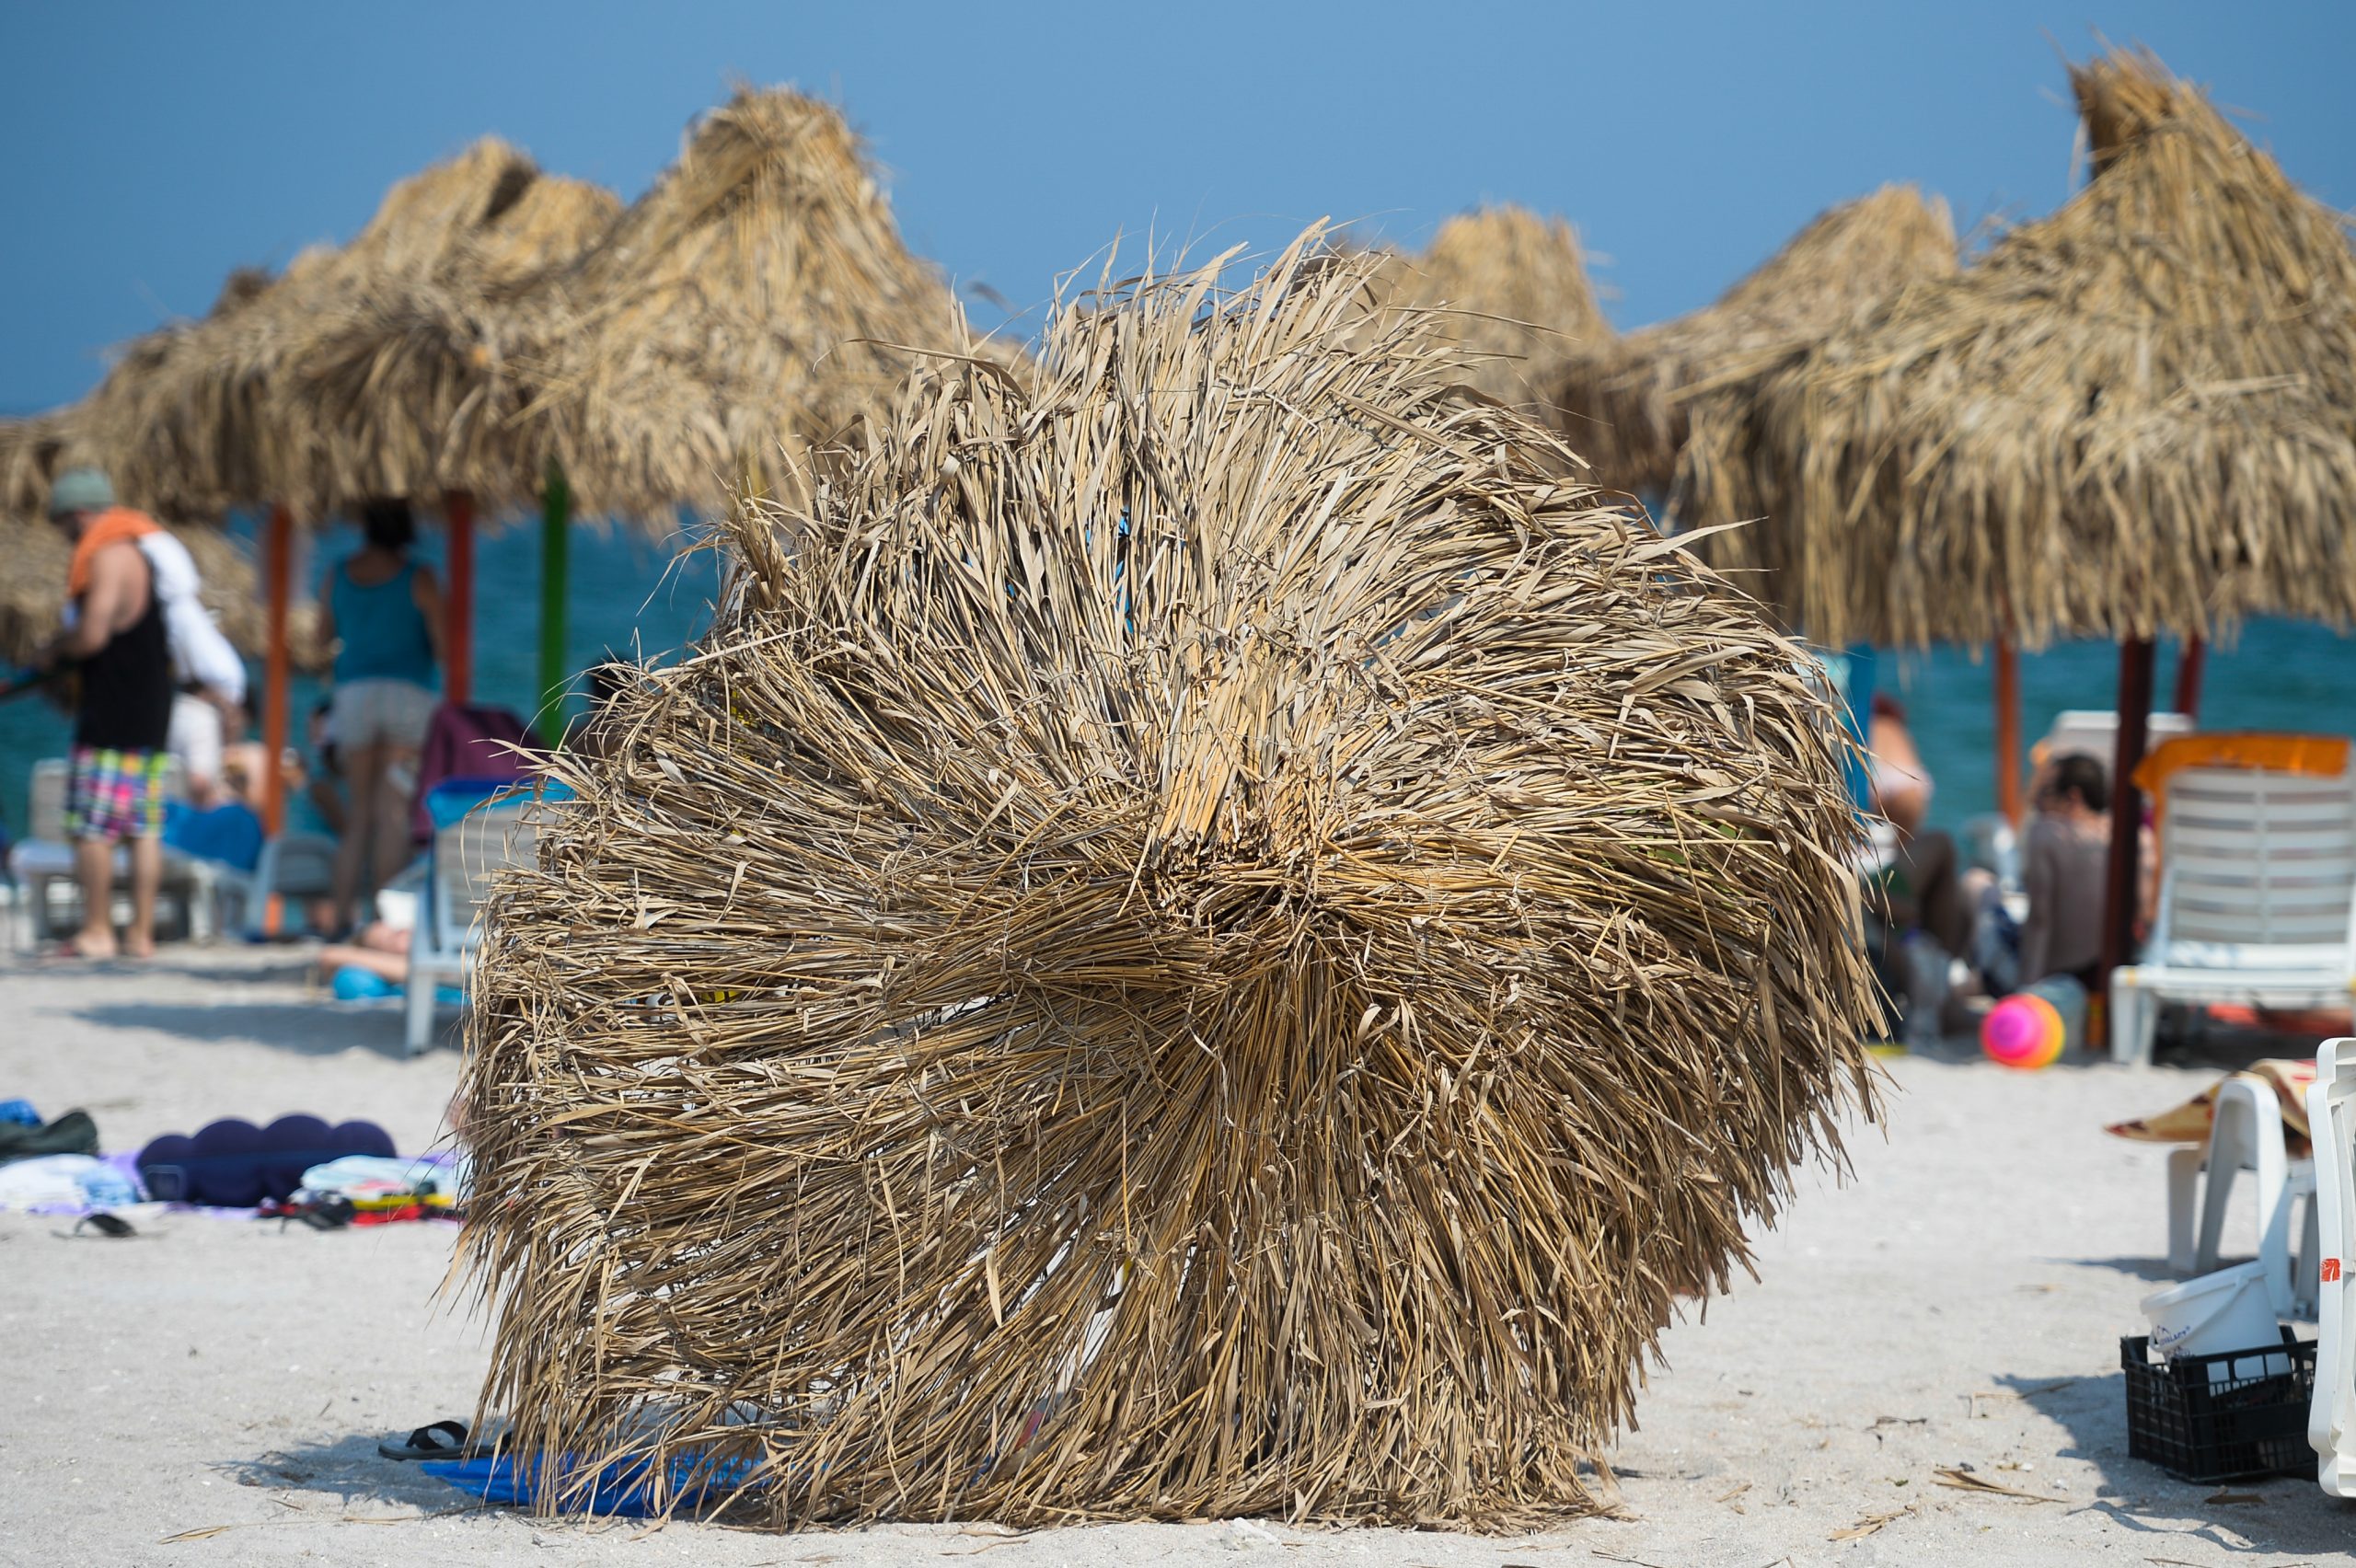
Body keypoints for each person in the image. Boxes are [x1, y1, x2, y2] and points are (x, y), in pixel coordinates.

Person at [34, 469, 175, 959]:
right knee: (142, 827)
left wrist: (54, 651)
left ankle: (98, 931)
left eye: (62, 525)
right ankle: (140, 934)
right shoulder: (139, 553)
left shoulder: (111, 554)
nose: (65, 536)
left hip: (115, 708)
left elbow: (92, 635)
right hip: (150, 707)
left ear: (78, 515)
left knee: (92, 826)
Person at [318, 498, 444, 933]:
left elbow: (321, 637)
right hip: (407, 694)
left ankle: (339, 917)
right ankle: (381, 920)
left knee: (358, 815)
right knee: (393, 813)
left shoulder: (338, 573)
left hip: (354, 694)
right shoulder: (419, 577)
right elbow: (442, 645)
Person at [136, 527, 248, 810]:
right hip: (203, 709)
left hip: (191, 706)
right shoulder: (185, 612)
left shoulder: (178, 612)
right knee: (202, 789)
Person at [2019, 753, 2113, 990]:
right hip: (2109, 975)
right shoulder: (2134, 837)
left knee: (1975, 886)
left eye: (2045, 792)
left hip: (2059, 977)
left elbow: (2040, 920)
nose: (2036, 802)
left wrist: (2028, 988)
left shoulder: (2046, 835)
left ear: (2073, 797)